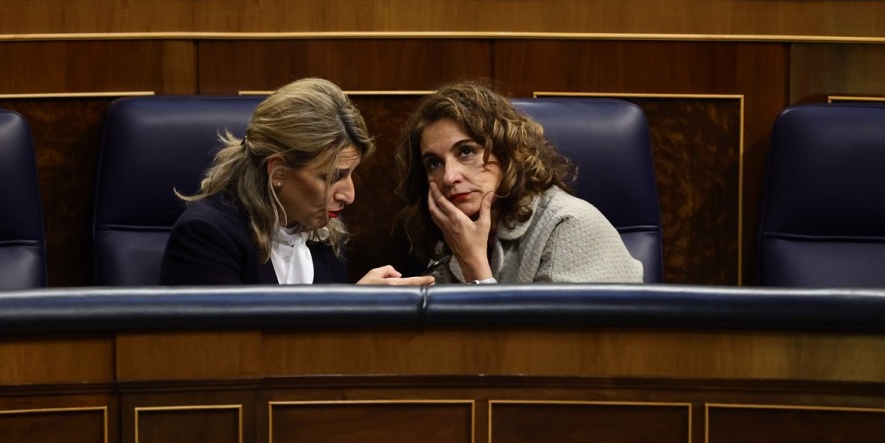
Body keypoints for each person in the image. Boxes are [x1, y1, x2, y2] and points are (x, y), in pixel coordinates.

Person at [159, 77, 433, 286]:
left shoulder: (328, 233)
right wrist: (351, 307)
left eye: (351, 174)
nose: (349, 195)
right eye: (330, 177)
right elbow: (230, 354)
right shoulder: (207, 236)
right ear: (278, 171)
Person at [395, 80, 644, 284]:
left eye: (466, 151)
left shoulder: (570, 226)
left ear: (505, 152)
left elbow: (542, 346)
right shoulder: (454, 236)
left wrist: (474, 266)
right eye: (434, 163)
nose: (449, 177)